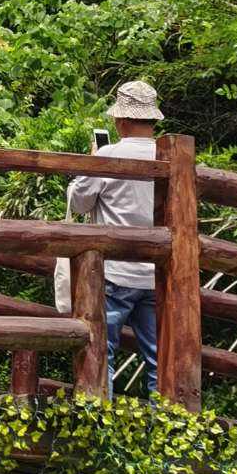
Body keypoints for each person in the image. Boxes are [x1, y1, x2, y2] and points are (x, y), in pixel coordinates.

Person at [67, 79, 165, 393]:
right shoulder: (170, 157)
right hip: (156, 275)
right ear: (153, 119)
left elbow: (79, 202)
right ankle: (167, 431)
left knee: (100, 353)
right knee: (159, 358)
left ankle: (102, 429)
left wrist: (91, 161)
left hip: (115, 273)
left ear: (121, 120)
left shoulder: (110, 154)